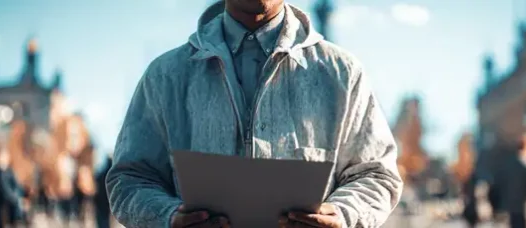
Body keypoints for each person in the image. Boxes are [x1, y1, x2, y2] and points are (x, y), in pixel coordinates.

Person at [105, 0, 403, 227]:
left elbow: (377, 175)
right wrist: (168, 217)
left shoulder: (342, 74)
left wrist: (341, 214)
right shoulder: (167, 75)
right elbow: (129, 179)